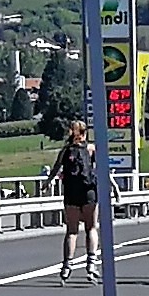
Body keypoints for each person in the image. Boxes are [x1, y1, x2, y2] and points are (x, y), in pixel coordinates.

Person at [49, 115, 102, 281]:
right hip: (89, 192)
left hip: (71, 193)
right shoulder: (91, 149)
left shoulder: (65, 150)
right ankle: (91, 263)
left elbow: (56, 168)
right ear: (85, 133)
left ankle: (67, 266)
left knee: (71, 231)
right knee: (91, 228)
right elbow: (101, 169)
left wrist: (47, 182)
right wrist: (114, 189)